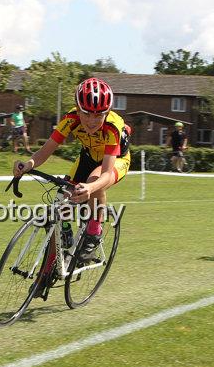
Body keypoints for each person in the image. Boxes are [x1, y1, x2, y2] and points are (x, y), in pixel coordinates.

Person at [13, 77, 130, 264]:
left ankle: (94, 232)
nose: (92, 121)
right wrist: (28, 165)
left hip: (116, 160)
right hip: (89, 155)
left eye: (99, 115)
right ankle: (63, 235)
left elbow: (106, 174)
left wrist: (91, 189)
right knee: (64, 192)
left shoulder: (112, 128)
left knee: (94, 181)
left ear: (107, 113)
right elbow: (45, 151)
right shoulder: (70, 119)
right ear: (77, 108)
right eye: (86, 114)